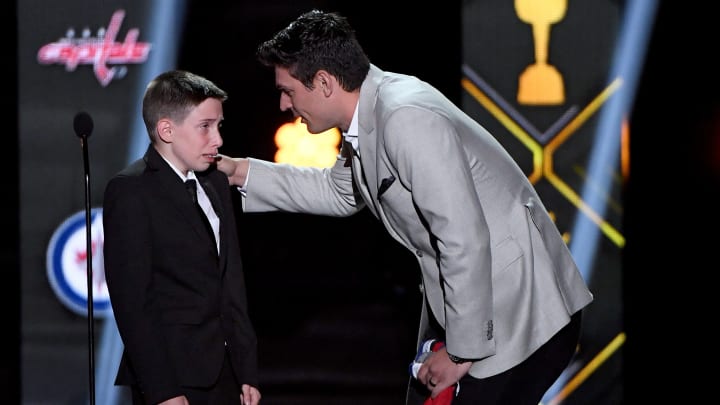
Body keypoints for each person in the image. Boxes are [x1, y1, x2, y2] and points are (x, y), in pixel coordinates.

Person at [217, 9, 593, 405]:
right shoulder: (370, 113)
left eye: (288, 91)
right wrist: (238, 171)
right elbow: (339, 192)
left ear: (324, 82)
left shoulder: (405, 118)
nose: (283, 104)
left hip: (521, 312)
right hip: (473, 304)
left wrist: (460, 352)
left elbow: (463, 237)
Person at [103, 70, 261, 405]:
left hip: (227, 375)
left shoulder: (215, 182)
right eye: (205, 126)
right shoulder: (131, 191)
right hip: (173, 379)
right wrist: (163, 390)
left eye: (219, 125)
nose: (217, 139)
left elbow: (231, 282)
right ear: (167, 130)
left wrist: (247, 369)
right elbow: (133, 302)